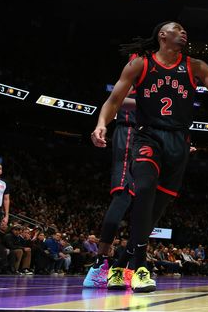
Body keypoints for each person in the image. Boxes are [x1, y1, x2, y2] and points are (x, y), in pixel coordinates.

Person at [92, 21, 208, 292]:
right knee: (144, 189)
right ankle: (141, 267)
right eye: (177, 28)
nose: (184, 31)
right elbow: (114, 101)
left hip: (178, 141)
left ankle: (120, 265)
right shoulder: (140, 65)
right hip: (148, 136)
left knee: (154, 213)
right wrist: (101, 124)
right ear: (162, 35)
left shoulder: (196, 66)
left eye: (184, 29)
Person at [84, 81, 138, 288]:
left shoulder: (160, 77)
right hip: (129, 135)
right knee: (123, 196)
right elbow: (116, 100)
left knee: (145, 208)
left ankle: (122, 266)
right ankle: (99, 264)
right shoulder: (136, 73)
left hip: (149, 139)